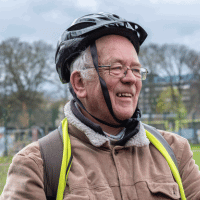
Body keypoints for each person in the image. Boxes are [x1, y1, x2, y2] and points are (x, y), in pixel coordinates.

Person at [1, 12, 200, 200]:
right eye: (116, 68)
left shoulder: (174, 150)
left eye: (136, 69)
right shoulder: (37, 165)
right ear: (79, 83)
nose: (131, 78)